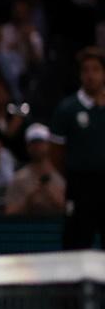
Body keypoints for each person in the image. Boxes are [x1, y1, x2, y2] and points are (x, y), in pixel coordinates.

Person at [49, 47, 105, 253]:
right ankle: (74, 286)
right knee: (77, 242)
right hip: (80, 185)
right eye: (86, 70)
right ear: (80, 74)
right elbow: (55, 153)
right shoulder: (68, 108)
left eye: (96, 70)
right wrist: (73, 175)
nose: (91, 75)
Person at [5, 123, 66, 216]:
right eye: (33, 143)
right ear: (28, 147)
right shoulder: (18, 179)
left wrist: (54, 198)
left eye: (41, 142)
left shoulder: (62, 175)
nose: (37, 147)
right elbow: (9, 214)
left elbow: (72, 211)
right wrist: (29, 200)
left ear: (49, 144)